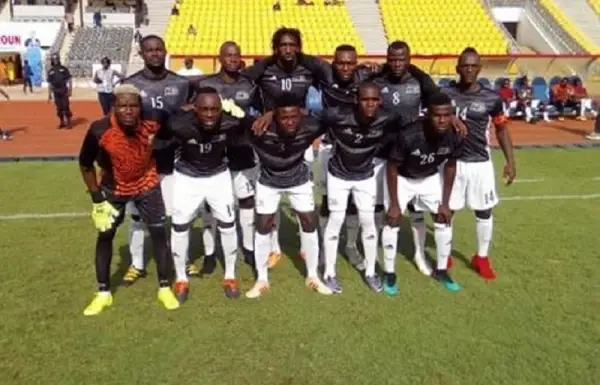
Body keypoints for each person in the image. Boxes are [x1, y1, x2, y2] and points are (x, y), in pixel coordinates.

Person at [78, 85, 179, 316]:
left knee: (159, 234)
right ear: (114, 106)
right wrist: (97, 199)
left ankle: (164, 287)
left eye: (133, 106)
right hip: (114, 188)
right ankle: (103, 292)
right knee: (105, 235)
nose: (128, 111)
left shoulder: (154, 119)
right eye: (122, 106)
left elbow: (176, 126)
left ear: (140, 107)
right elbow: (85, 164)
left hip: (147, 184)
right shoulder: (99, 129)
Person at [120, 35, 194, 285]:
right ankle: (137, 264)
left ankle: (181, 258)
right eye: (149, 50)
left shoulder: (182, 84)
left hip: (173, 160)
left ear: (165, 51)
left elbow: (190, 121)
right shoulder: (129, 85)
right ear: (141, 54)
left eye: (158, 49)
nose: (154, 54)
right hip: (140, 162)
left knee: (177, 215)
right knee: (138, 217)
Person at [245, 95, 332, 298]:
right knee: (263, 225)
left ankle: (312, 275)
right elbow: (230, 115)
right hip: (268, 181)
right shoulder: (258, 128)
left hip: (298, 180)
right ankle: (261, 279)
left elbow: (334, 116)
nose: (290, 122)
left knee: (309, 222)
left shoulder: (310, 126)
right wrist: (266, 113)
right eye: (284, 118)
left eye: (294, 116)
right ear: (275, 116)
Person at [168, 87, 249, 301]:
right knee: (179, 226)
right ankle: (181, 278)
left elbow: (249, 125)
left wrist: (239, 111)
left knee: (228, 225)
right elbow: (162, 131)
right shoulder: (179, 125)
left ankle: (230, 275)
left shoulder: (231, 123)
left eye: (215, 109)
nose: (210, 115)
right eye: (204, 109)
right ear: (195, 109)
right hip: (187, 177)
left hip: (218, 175)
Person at [441, 47, 516, 280]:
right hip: (452, 162)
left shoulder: (492, 98)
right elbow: (430, 116)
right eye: (465, 65)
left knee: (484, 211)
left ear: (480, 69)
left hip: (480, 163)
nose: (469, 70)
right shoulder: (444, 94)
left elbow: (502, 130)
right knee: (446, 210)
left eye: (474, 66)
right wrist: (451, 117)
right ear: (457, 68)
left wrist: (510, 162)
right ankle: (444, 255)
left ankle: (481, 257)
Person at [319, 83, 399, 294]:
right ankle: (329, 272)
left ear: (380, 102)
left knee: (368, 221)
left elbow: (413, 123)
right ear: (356, 100)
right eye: (365, 99)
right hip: (338, 175)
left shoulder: (387, 118)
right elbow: (308, 118)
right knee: (336, 220)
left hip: (365, 176)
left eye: (374, 100)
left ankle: (371, 272)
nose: (370, 104)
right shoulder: (337, 116)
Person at [383, 92, 462, 295]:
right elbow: (392, 167)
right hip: (403, 178)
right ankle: (390, 273)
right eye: (437, 115)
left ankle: (442, 270)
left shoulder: (454, 134)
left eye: (446, 115)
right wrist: (394, 203)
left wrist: (445, 202)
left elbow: (451, 166)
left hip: (429, 178)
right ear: (428, 115)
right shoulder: (409, 135)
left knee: (444, 217)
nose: (442, 120)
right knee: (392, 221)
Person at [195, 41, 260, 277]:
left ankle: (249, 248)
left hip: (242, 150)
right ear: (220, 58)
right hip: (214, 152)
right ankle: (210, 254)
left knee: (246, 201)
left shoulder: (249, 85)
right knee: (211, 207)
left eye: (236, 55)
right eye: (228, 55)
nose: (233, 59)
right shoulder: (206, 84)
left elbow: (259, 116)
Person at [47, 53, 73, 129]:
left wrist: (70, 90)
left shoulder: (64, 69)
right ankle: (62, 122)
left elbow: (69, 80)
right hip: (56, 91)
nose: (56, 60)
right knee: (59, 108)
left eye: (57, 59)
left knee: (65, 107)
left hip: (64, 90)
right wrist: (49, 94)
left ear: (59, 59)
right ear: (52, 60)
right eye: (54, 59)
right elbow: (50, 84)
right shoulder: (50, 71)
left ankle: (69, 122)